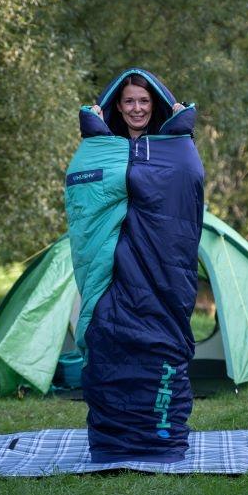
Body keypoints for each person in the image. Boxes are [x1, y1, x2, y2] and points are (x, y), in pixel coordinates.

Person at [65, 68, 204, 463]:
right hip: (113, 273)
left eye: (144, 101)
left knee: (160, 343)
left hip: (161, 271)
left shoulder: (175, 149)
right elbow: (81, 194)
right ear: (118, 106)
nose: (137, 108)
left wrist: (179, 127)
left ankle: (160, 439)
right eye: (129, 101)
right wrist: (95, 130)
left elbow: (189, 181)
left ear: (154, 105)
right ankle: (112, 442)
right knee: (110, 340)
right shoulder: (99, 150)